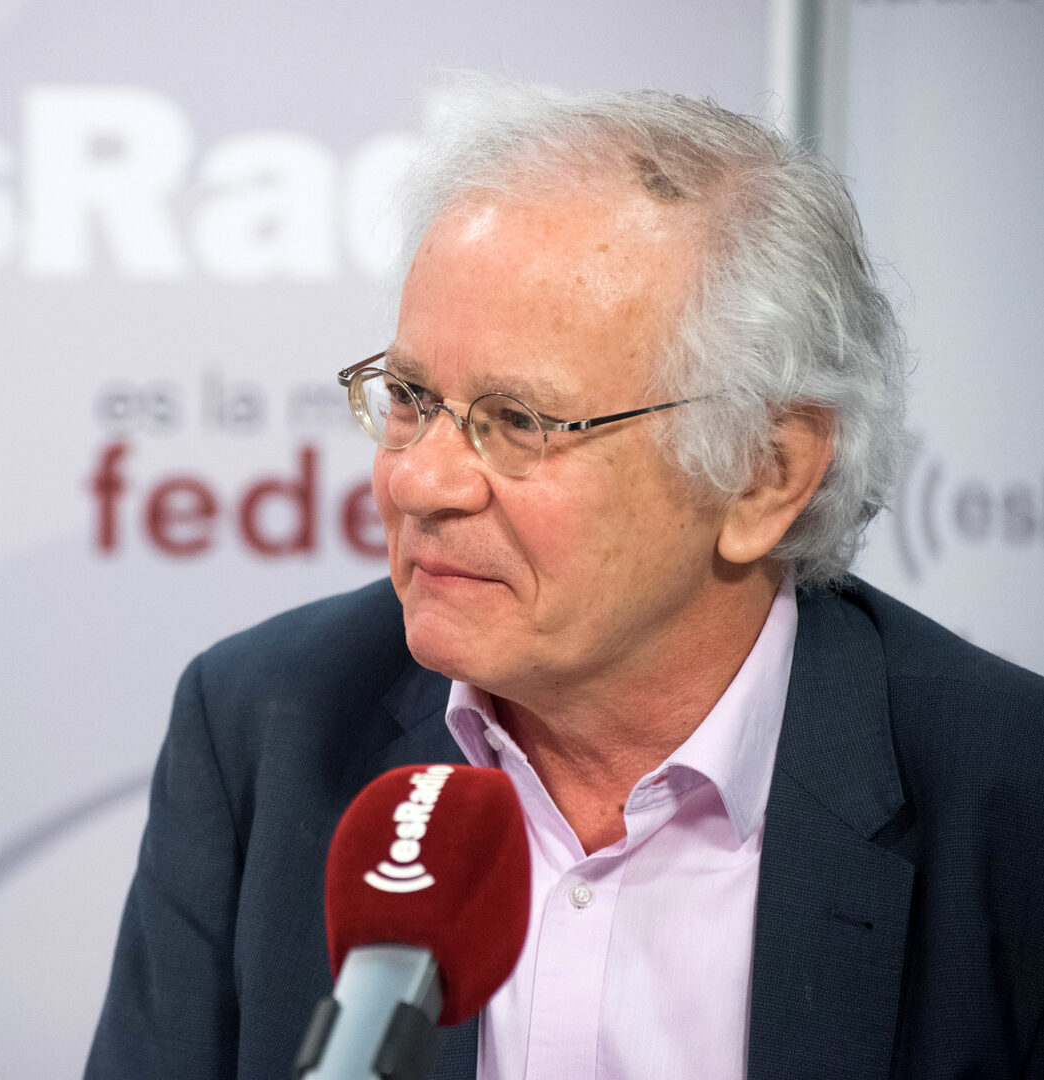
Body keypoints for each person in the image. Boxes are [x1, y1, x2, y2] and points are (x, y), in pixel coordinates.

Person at [85, 77, 1044, 1080]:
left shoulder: (1009, 799)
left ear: (766, 472)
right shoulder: (266, 723)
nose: (417, 481)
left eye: (519, 421)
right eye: (409, 395)